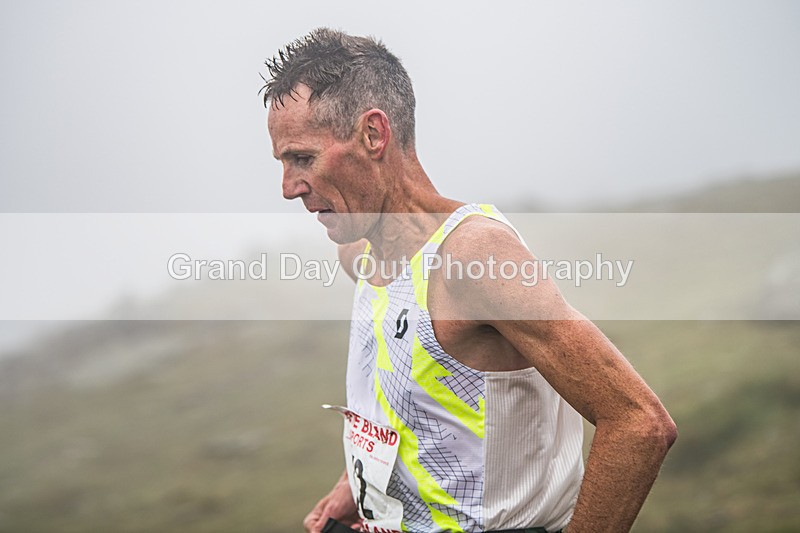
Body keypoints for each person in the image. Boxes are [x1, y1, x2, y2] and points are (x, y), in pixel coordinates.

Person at [262, 28, 676, 533]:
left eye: (302, 158)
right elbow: (415, 395)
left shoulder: (473, 258)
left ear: (373, 134)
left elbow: (638, 424)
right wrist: (362, 483)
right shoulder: (360, 250)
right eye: (284, 163)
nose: (288, 188)